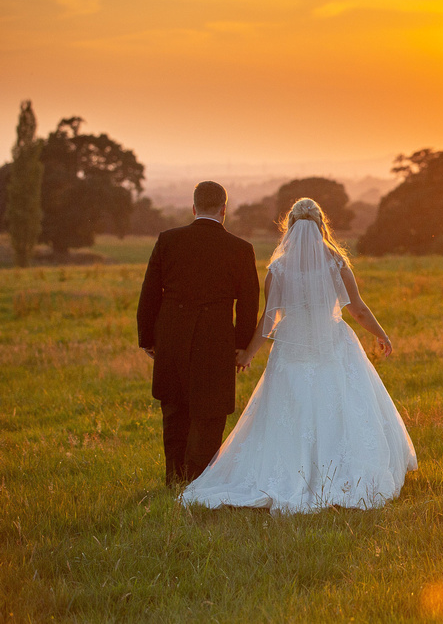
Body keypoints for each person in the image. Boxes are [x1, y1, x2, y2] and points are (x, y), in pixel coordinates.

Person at [179, 198, 417, 513]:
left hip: (291, 346)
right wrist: (381, 334)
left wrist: (249, 353)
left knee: (291, 410)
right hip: (332, 344)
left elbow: (269, 319)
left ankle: (292, 472)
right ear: (321, 226)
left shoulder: (278, 268)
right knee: (338, 407)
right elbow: (357, 309)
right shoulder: (336, 262)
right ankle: (336, 472)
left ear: (289, 227)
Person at [137, 181, 261, 486]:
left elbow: (150, 293)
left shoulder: (168, 240)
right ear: (224, 209)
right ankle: (200, 480)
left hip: (172, 336)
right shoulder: (241, 249)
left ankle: (174, 477)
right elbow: (248, 303)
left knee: (175, 410)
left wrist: (148, 339)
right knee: (210, 412)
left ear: (193, 208)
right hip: (216, 339)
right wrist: (242, 346)